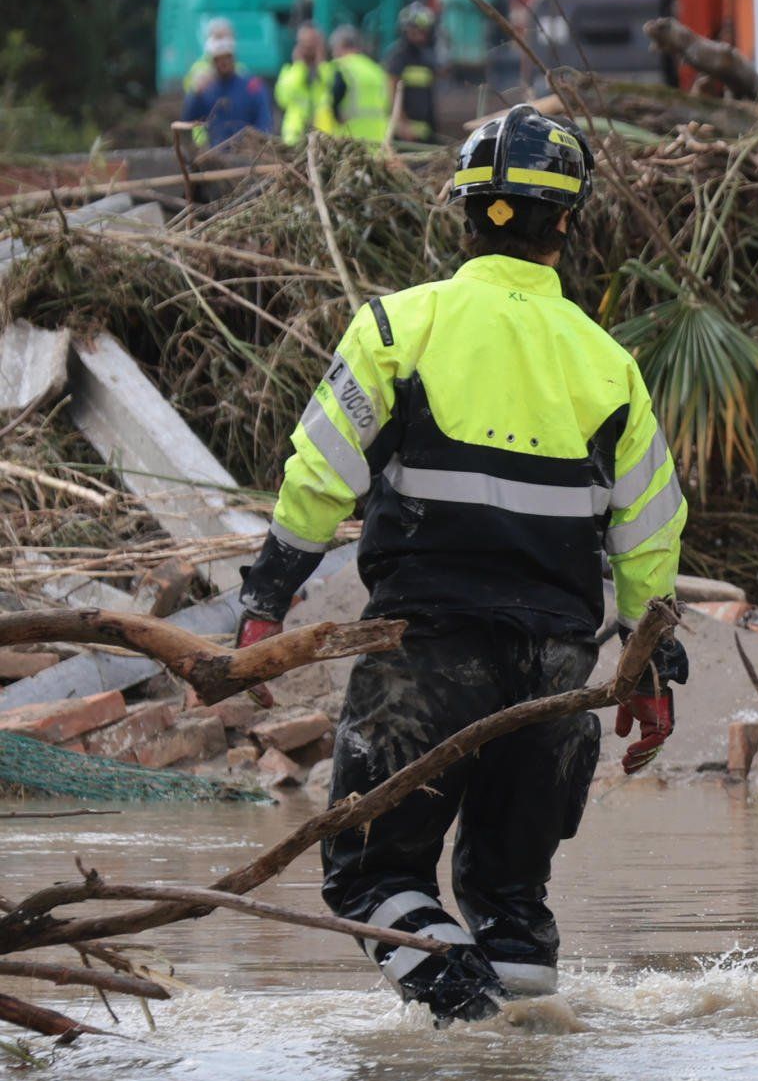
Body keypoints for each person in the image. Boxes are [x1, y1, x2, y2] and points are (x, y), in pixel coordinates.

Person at [234, 108, 690, 1024]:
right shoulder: (611, 367)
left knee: (369, 875)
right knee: (512, 898)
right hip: (558, 673)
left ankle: (473, 1028)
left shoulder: (401, 327)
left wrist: (263, 602)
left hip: (425, 658)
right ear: (567, 224)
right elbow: (650, 542)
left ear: (463, 213)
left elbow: (318, 474)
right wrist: (653, 679)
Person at [177, 23, 274, 148]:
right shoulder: (206, 90)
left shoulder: (252, 87)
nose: (223, 63)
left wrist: (256, 145)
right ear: (211, 60)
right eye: (218, 59)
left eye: (227, 57)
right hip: (214, 156)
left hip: (248, 157)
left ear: (233, 56)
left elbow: (265, 123)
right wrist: (195, 94)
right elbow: (187, 120)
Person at [328, 25, 395, 147]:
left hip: (351, 143)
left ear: (339, 45)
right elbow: (388, 104)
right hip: (378, 142)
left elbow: (333, 99)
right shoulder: (377, 70)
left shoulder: (341, 67)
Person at [385, 3, 440, 143]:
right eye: (417, 30)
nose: (421, 35)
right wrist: (403, 125)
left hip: (425, 133)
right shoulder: (398, 57)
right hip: (404, 135)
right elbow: (391, 93)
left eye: (424, 31)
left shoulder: (426, 58)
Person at [275, 24, 337, 144]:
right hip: (295, 138)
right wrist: (300, 67)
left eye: (313, 43)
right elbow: (283, 99)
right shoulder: (289, 71)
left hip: (323, 139)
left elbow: (332, 88)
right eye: (304, 43)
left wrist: (321, 63)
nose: (309, 48)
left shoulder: (329, 70)